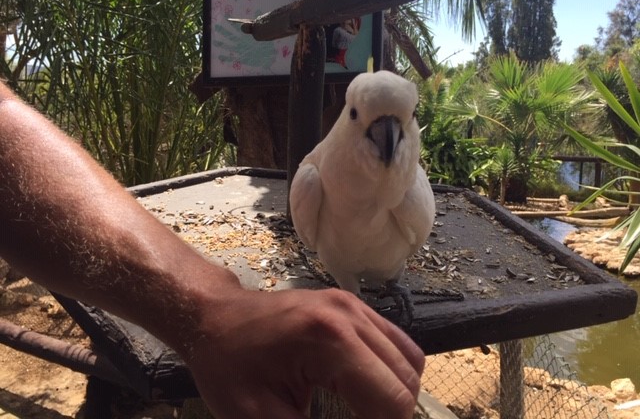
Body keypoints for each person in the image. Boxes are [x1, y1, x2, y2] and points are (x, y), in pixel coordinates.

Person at [0, 80, 424, 419]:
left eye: (399, 124)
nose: (386, 137)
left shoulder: (411, 195)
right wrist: (209, 314)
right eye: (361, 118)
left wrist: (211, 311)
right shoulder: (312, 183)